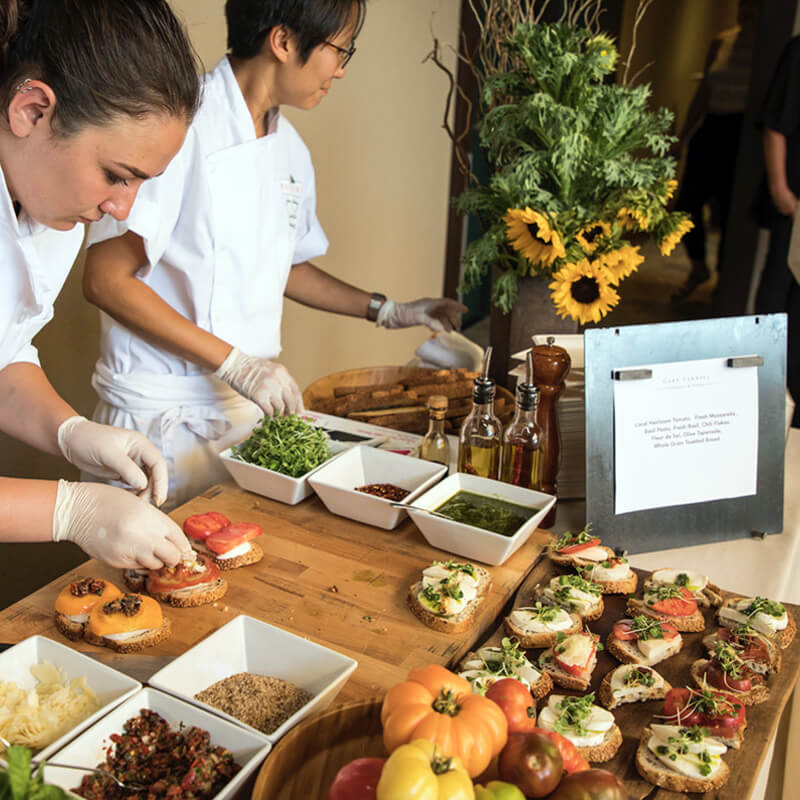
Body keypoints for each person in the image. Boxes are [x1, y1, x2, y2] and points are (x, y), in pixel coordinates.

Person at [82, 0, 467, 510]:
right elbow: (106, 280)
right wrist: (238, 364)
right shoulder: (179, 125)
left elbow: (278, 265)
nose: (343, 68)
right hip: (158, 424)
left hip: (243, 416)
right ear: (283, 42)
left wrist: (388, 310)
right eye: (339, 49)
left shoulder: (290, 152)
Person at [0, 0, 200, 567]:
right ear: (33, 110)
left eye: (140, 184)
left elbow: (3, 349)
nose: (120, 207)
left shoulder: (50, 204)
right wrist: (72, 511)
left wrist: (70, 429)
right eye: (116, 175)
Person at [671, 0, 758, 301]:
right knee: (686, 204)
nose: (747, 11)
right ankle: (698, 266)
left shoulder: (768, 48)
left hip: (743, 134)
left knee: (731, 211)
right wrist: (682, 135)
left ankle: (725, 279)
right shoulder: (722, 41)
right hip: (712, 127)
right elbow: (704, 91)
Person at [754, 35, 800, 427]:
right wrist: (780, 189)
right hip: (796, 203)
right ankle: (763, 394)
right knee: (779, 297)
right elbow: (776, 124)